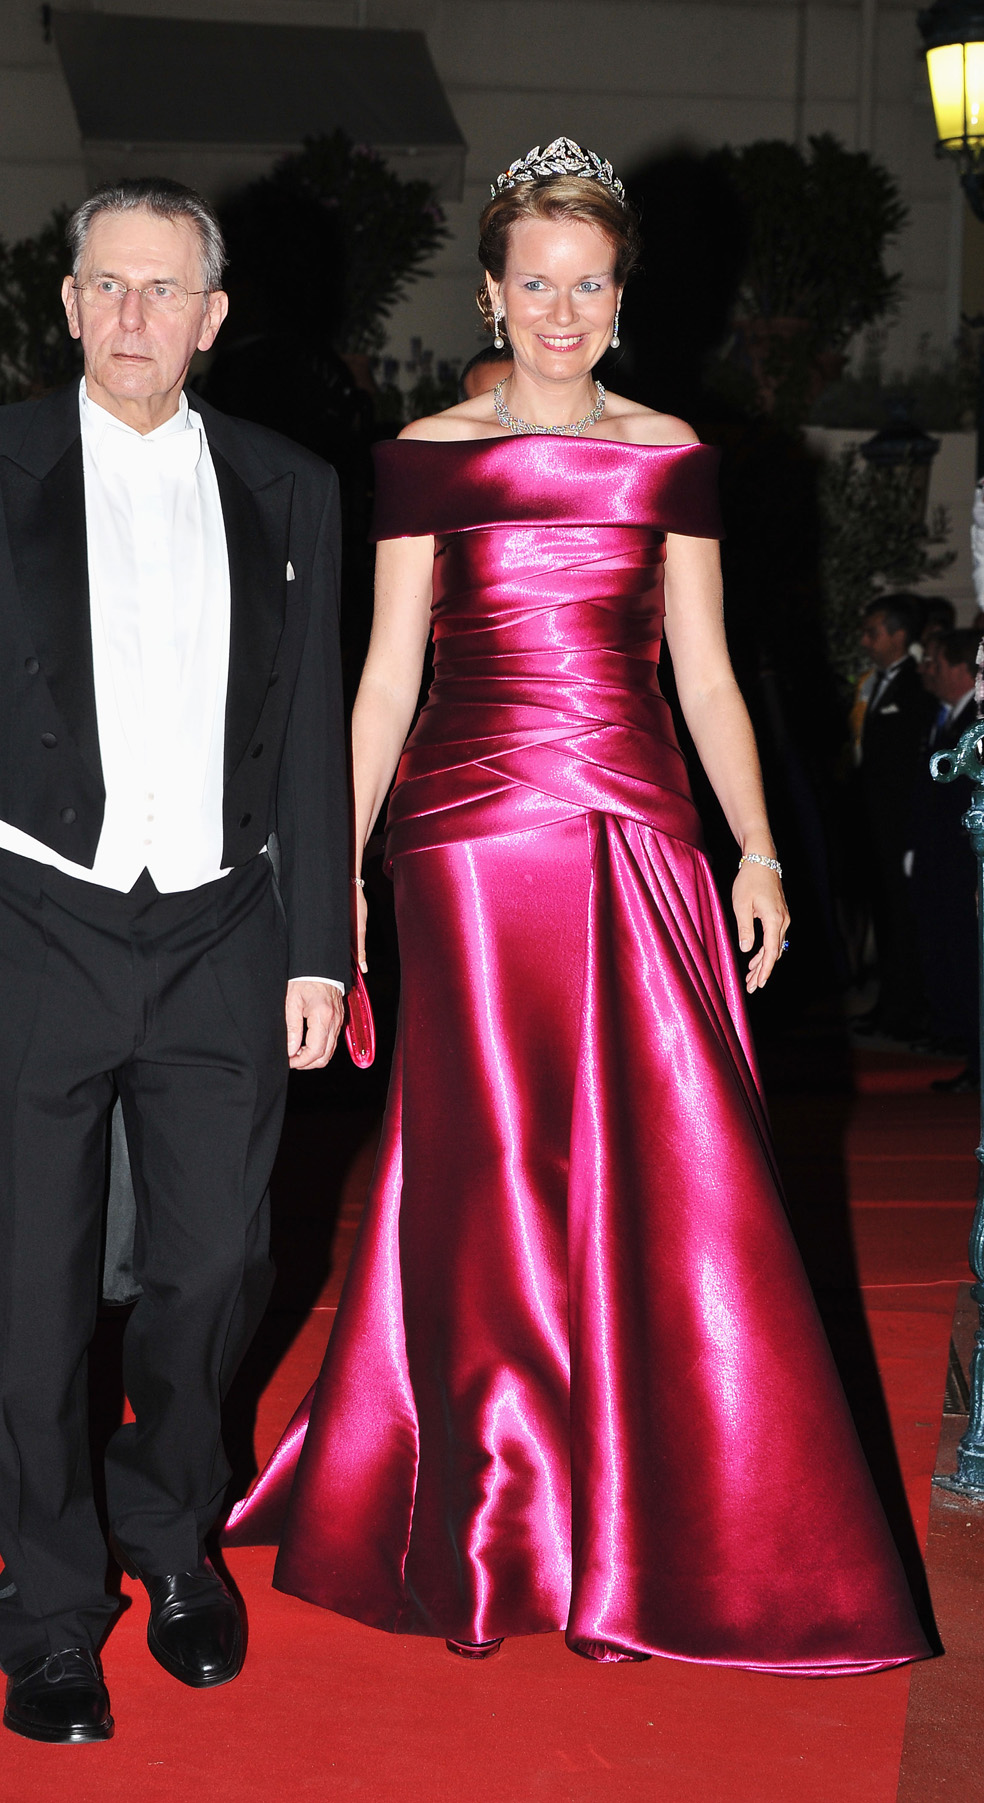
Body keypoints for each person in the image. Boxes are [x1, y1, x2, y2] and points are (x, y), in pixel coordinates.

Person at [226, 139, 928, 1676]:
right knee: (484, 1165)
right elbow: (386, 679)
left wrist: (757, 847)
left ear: (622, 297)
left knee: (660, 1162)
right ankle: (488, 1519)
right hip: (469, 844)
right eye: (534, 283)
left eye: (588, 284)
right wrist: (333, 873)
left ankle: (640, 1516)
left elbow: (710, 673)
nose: (560, 311)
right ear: (492, 290)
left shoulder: (672, 454)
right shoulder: (425, 453)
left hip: (637, 829)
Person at [0, 177, 350, 1742]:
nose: (134, 314)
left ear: (212, 317)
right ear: (69, 305)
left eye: (164, 288)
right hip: (25, 922)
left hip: (222, 928)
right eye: (107, 285)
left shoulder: (290, 486)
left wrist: (321, 950)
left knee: (218, 1265)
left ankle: (170, 1531)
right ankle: (51, 1605)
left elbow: (311, 737)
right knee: (28, 1287)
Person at [855, 595, 938, 1039]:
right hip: (875, 825)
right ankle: (890, 1004)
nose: (865, 641)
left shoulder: (916, 684)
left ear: (899, 635)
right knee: (885, 915)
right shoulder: (876, 683)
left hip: (900, 827)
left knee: (904, 918)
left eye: (873, 632)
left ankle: (907, 1009)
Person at [908, 627, 979, 1078]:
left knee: (971, 963)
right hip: (944, 861)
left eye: (937, 662)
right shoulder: (947, 718)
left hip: (965, 863)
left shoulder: (973, 724)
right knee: (955, 957)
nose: (928, 671)